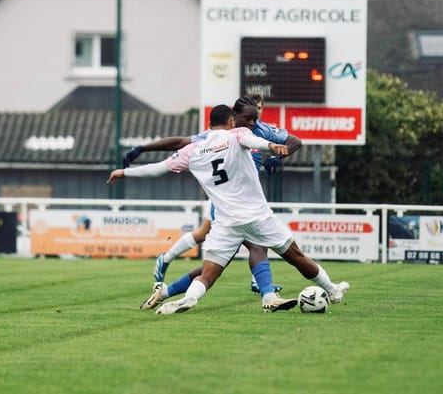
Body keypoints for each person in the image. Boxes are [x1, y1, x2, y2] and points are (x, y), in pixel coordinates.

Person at [107, 104, 348, 314]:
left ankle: (189, 298)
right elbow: (252, 141)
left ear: (209, 124)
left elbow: (159, 168)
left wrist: (124, 172)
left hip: (225, 222)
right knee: (296, 256)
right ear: (231, 121)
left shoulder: (193, 151)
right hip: (257, 216)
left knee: (208, 275)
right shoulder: (237, 134)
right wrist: (271, 146)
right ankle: (332, 290)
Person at [124, 96, 301, 303]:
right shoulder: (220, 135)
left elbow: (295, 141)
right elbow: (181, 142)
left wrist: (277, 157)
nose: (253, 122)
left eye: (257, 114)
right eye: (249, 116)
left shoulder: (263, 130)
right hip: (227, 203)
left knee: (216, 263)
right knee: (253, 246)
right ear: (234, 117)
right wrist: (142, 149)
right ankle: (267, 293)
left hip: (244, 201)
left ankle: (166, 290)